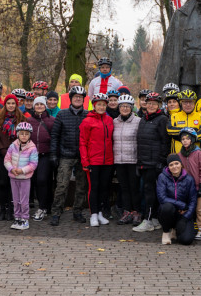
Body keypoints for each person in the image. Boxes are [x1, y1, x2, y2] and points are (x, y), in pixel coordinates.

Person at [50, 86, 88, 225]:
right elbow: (55, 135)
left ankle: (77, 211)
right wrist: (54, 154)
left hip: (82, 157)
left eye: (80, 97)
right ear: (71, 99)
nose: (78, 99)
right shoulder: (62, 114)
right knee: (61, 185)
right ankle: (56, 213)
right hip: (65, 155)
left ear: (83, 99)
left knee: (81, 186)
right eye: (75, 96)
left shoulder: (87, 115)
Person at [133, 92, 170, 233]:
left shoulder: (162, 119)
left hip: (154, 163)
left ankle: (147, 220)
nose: (151, 106)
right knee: (149, 191)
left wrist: (161, 161)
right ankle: (154, 219)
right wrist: (139, 163)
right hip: (144, 162)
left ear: (159, 105)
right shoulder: (144, 119)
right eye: (149, 103)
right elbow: (140, 142)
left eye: (154, 104)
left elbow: (165, 142)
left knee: (150, 192)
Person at [79, 92, 114, 226]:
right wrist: (85, 161)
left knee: (104, 188)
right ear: (94, 105)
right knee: (94, 187)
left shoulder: (109, 120)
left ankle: (99, 213)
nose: (101, 107)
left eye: (104, 105)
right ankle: (93, 214)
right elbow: (83, 142)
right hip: (93, 161)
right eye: (99, 104)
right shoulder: (87, 121)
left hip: (108, 161)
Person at [0, 94, 27, 221]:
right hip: (2, 155)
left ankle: (12, 208)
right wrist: (2, 150)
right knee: (2, 182)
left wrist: (16, 150)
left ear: (16, 105)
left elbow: (25, 136)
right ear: (5, 105)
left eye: (13, 103)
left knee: (15, 183)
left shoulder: (22, 119)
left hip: (17, 155)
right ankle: (3, 207)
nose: (11, 105)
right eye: (9, 103)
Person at [155, 153, 198, 245]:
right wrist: (181, 205)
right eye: (171, 165)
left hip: (183, 213)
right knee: (167, 207)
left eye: (176, 163)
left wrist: (185, 218)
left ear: (181, 164)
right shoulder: (162, 177)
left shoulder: (189, 179)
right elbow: (162, 198)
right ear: (168, 167)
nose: (174, 166)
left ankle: (175, 230)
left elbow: (193, 201)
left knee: (186, 240)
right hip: (169, 211)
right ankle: (166, 232)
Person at [112, 94, 141, 225]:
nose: (124, 108)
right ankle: (126, 211)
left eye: (127, 106)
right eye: (122, 106)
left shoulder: (138, 121)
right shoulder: (114, 122)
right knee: (124, 188)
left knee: (134, 188)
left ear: (132, 108)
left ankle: (136, 212)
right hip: (119, 160)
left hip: (133, 160)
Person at [177, 127, 201, 240]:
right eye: (183, 139)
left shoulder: (199, 154)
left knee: (199, 208)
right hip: (184, 188)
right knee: (184, 208)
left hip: (197, 187)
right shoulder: (179, 155)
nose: (185, 141)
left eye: (187, 138)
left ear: (192, 140)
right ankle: (185, 227)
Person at [5, 121, 39, 230]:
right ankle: (17, 217)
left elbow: (33, 164)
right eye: (22, 133)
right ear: (18, 134)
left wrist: (22, 170)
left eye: (26, 134)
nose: (24, 136)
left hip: (24, 178)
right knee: (15, 199)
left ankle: (25, 218)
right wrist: (11, 169)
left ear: (29, 135)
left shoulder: (32, 148)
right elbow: (7, 159)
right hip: (13, 177)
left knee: (24, 200)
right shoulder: (12, 146)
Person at [29, 96, 56, 221]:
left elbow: (55, 138)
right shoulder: (28, 121)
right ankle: (45, 206)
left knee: (43, 180)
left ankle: (42, 207)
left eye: (41, 104)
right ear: (34, 106)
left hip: (46, 155)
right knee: (35, 181)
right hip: (32, 156)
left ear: (45, 106)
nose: (39, 106)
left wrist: (54, 154)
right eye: (37, 104)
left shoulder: (52, 120)